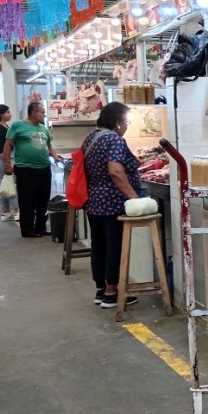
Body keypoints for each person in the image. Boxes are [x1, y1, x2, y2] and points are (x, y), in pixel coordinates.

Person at [82, 102, 145, 309]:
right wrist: (135, 198)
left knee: (99, 245)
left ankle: (101, 290)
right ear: (118, 123)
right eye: (126, 122)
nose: (126, 126)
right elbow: (116, 171)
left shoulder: (90, 137)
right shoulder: (114, 140)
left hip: (94, 201)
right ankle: (112, 293)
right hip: (112, 202)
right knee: (114, 247)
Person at [4, 101, 62, 238]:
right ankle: (27, 229)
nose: (44, 114)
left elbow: (49, 145)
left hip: (44, 168)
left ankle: (40, 227)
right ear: (33, 113)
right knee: (27, 200)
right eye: (42, 112)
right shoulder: (17, 126)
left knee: (43, 200)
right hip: (25, 169)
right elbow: (8, 145)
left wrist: (55, 156)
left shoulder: (43, 128)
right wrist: (7, 164)